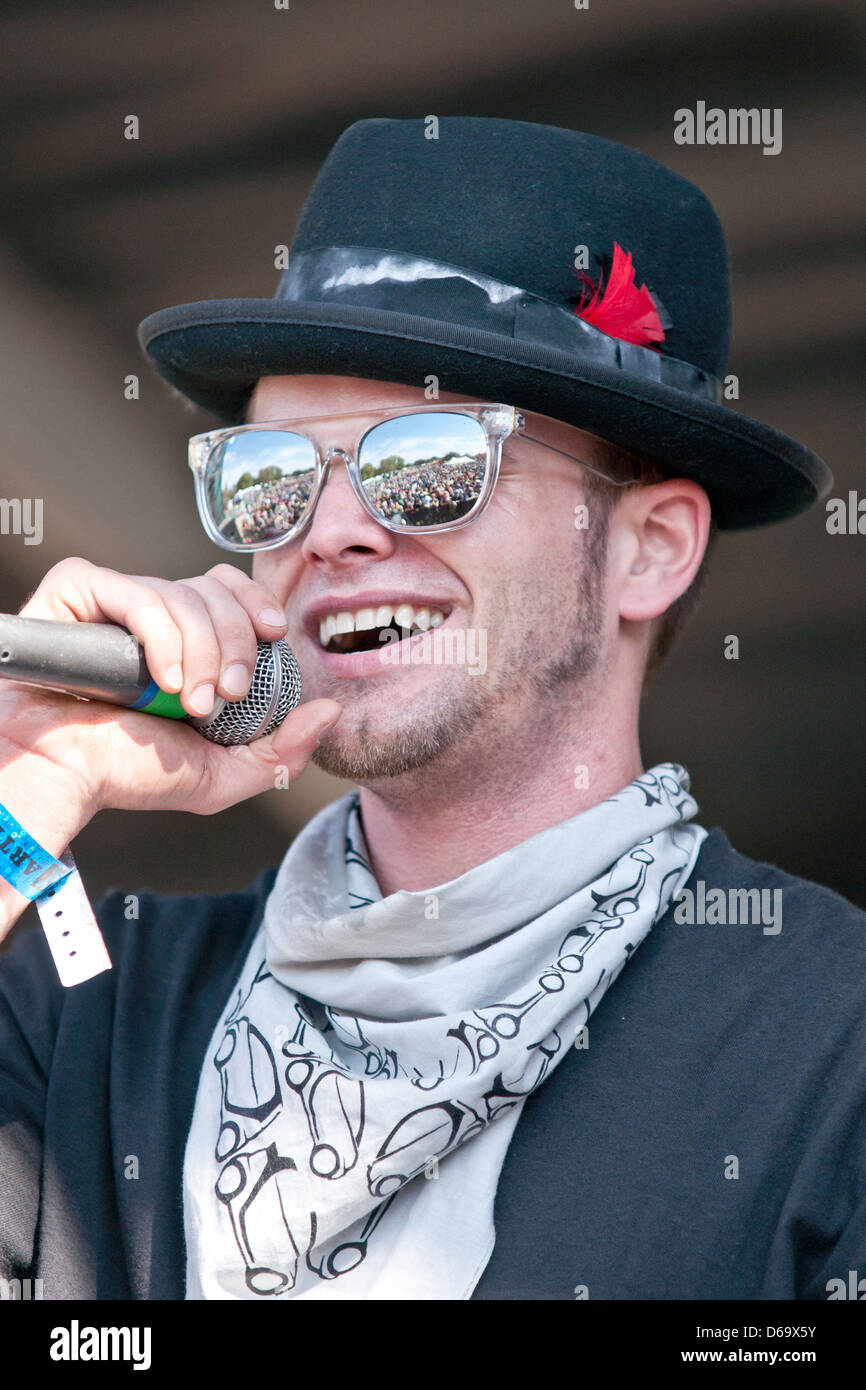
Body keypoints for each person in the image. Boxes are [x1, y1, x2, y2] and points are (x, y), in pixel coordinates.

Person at [0, 117, 863, 1303]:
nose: (331, 531)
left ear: (649, 549)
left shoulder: (829, 1042)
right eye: (271, 479)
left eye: (428, 464)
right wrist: (25, 784)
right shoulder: (87, 1012)